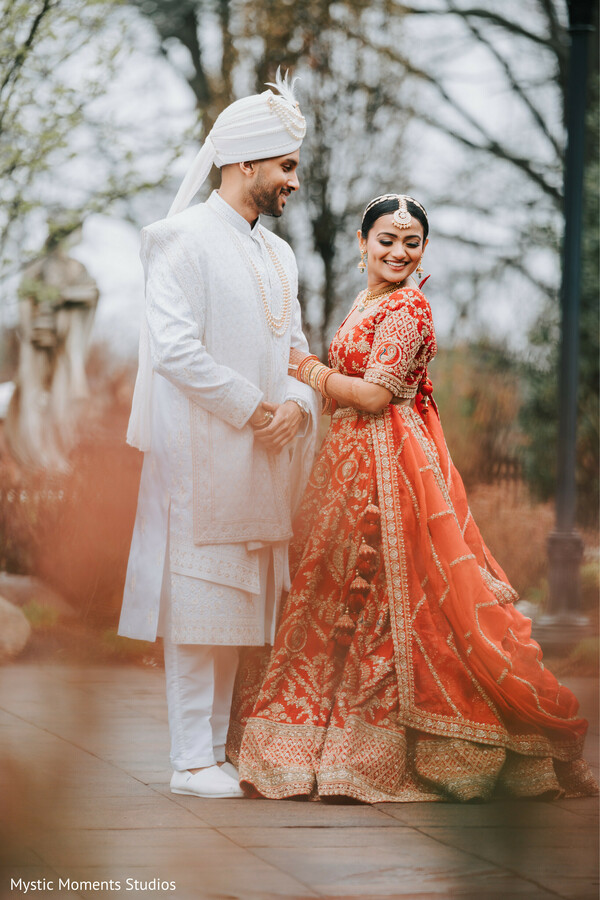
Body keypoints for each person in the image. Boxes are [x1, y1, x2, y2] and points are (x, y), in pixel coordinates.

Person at [229, 193, 598, 803]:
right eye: (387, 241)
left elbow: (375, 397)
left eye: (412, 243)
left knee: (390, 604)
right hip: (346, 466)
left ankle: (386, 752)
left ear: (424, 249)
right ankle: (315, 746)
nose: (399, 252)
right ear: (362, 243)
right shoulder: (367, 300)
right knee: (331, 596)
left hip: (391, 471)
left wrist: (310, 371)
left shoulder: (410, 309)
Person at [119, 71, 319, 799]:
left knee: (237, 607)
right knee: (199, 605)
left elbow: (296, 344)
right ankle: (187, 760)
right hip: (201, 455)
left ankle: (211, 753)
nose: (294, 182)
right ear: (245, 165)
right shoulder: (177, 237)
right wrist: (251, 407)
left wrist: (297, 402)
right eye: (287, 167)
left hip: (264, 457)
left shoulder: (281, 256)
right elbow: (173, 349)